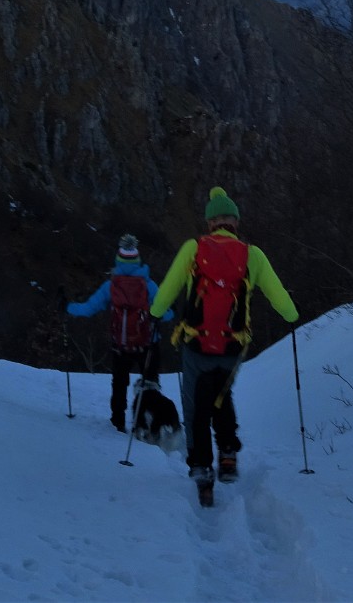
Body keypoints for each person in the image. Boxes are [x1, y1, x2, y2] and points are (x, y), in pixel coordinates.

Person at [150, 187, 298, 506]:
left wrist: (154, 313)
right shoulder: (253, 255)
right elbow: (279, 297)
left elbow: (168, 290)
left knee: (195, 408)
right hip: (232, 347)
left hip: (195, 344)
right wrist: (292, 315)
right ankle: (228, 454)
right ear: (235, 222)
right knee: (221, 395)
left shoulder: (194, 248)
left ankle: (202, 470)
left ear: (210, 223)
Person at [64, 234, 171, 432]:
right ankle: (150, 424)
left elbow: (89, 308)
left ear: (118, 260)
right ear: (138, 260)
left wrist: (67, 307)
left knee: (119, 384)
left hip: (121, 345)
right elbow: (167, 314)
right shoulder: (150, 286)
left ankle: (117, 422)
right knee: (150, 385)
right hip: (148, 344)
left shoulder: (110, 287)